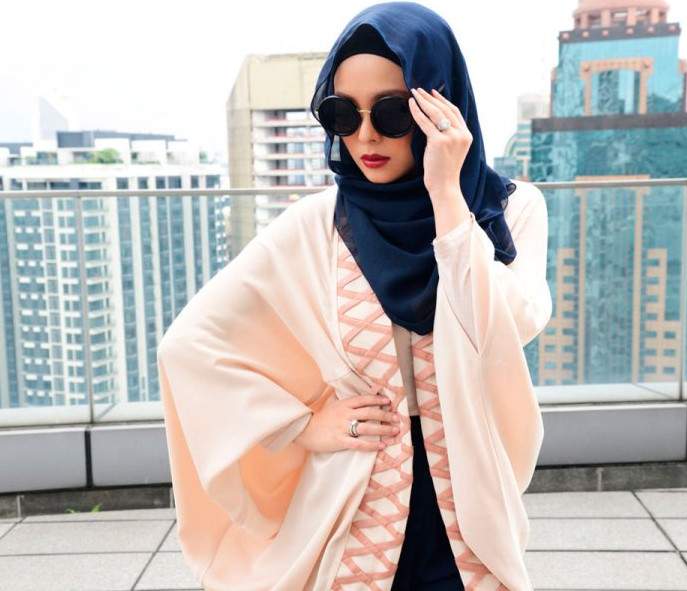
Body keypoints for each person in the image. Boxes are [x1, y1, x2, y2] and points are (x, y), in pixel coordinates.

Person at [157, 2, 552, 590]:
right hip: (356, 498)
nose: (365, 136)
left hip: (469, 495)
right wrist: (304, 426)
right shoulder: (317, 224)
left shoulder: (508, 212)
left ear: (439, 107)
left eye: (393, 112)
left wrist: (447, 197)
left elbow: (506, 325)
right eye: (342, 113)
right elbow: (190, 347)